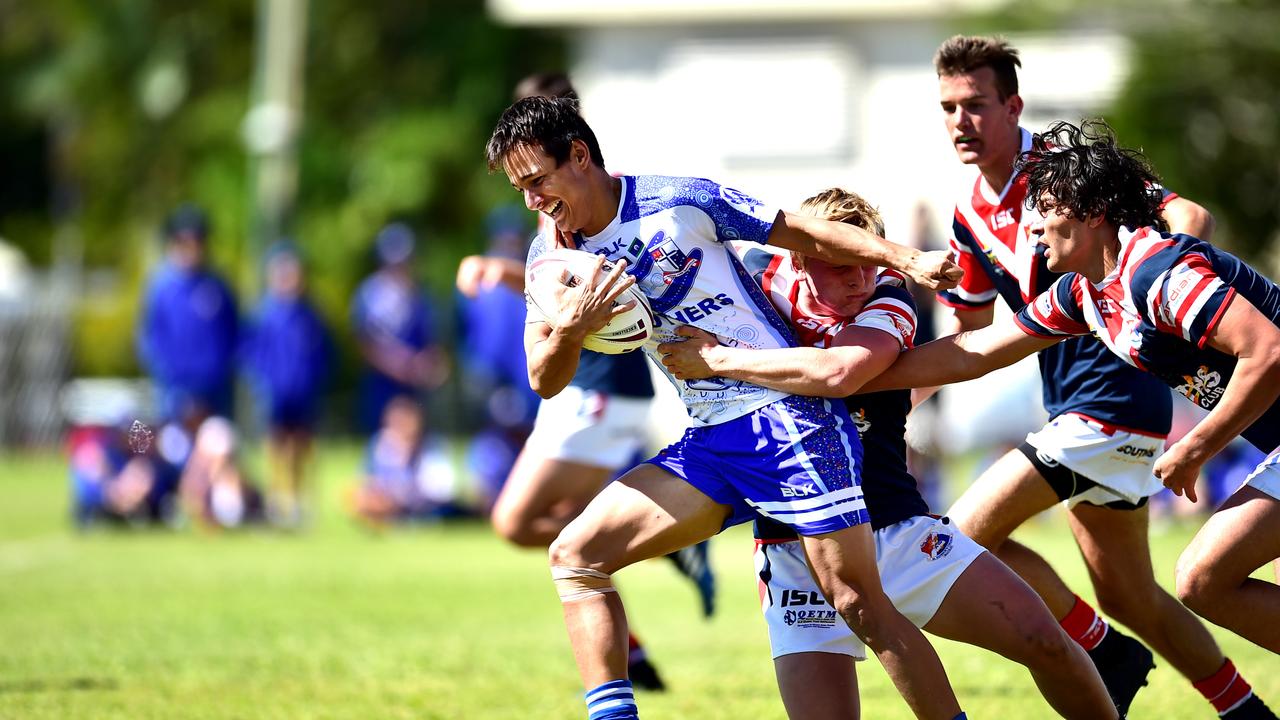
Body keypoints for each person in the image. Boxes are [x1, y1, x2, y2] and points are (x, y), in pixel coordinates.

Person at [486, 95, 966, 720]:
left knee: (857, 603)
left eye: (537, 181)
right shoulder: (551, 260)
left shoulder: (678, 199)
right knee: (576, 558)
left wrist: (907, 258)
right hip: (712, 439)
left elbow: (806, 230)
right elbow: (542, 378)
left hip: (790, 424)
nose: (531, 201)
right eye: (520, 188)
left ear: (579, 156)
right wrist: (571, 330)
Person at [656, 188, 1117, 719]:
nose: (857, 280)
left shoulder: (888, 294)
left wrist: (717, 359)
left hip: (894, 527)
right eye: (839, 265)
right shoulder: (754, 289)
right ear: (800, 259)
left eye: (866, 263)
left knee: (1044, 642)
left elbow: (839, 373)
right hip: (796, 550)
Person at [864, 119, 1280, 698]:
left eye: (1044, 207)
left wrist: (1196, 445)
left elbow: (1268, 349)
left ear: (1093, 211)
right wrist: (851, 376)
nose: (1029, 223)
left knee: (1201, 577)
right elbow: (974, 352)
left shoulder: (1157, 273)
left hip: (1111, 415)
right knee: (1176, 585)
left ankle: (1107, 653)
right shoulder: (1086, 294)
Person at [459, 73, 709, 690]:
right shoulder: (567, 194)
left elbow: (588, 279)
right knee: (575, 533)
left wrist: (508, 272)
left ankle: (666, 536)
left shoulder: (583, 196)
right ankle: (634, 652)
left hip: (594, 388)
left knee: (516, 522)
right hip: (598, 389)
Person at [242, 242, 334, 528]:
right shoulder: (263, 314)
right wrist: (262, 382)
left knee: (301, 448)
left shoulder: (311, 315)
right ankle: (276, 500)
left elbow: (324, 354)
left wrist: (316, 379)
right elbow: (251, 353)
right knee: (276, 447)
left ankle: (299, 500)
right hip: (274, 393)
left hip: (303, 392)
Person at [136, 204, 239, 429]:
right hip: (173, 390)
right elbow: (149, 338)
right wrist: (168, 374)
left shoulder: (218, 285)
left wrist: (221, 370)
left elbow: (234, 333)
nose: (192, 248)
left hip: (215, 389)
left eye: (198, 241)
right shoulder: (160, 287)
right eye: (185, 241)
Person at [350, 222, 447, 433]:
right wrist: (397, 365)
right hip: (380, 383)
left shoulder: (419, 295)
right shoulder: (369, 294)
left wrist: (429, 365)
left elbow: (431, 340)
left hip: (412, 385)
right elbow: (364, 342)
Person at [348, 394, 462, 527]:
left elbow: (441, 489)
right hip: (389, 499)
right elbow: (366, 478)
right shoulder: (380, 444)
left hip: (424, 503)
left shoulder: (431, 446)